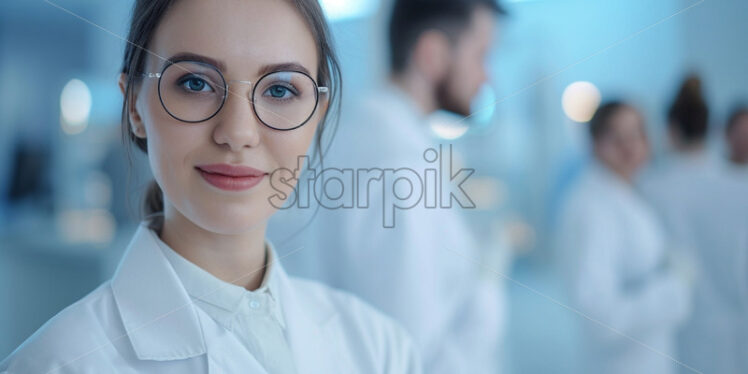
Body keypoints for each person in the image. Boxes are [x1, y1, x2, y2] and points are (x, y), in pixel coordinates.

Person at [0, 0, 422, 373]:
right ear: (134, 106)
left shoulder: (381, 350)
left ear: (316, 115)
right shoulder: (55, 364)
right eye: (195, 83)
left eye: (279, 89)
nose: (237, 133)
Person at [268, 0, 506, 372]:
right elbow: (413, 357)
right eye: (481, 56)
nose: (486, 77)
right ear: (431, 55)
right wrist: (486, 291)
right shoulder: (398, 166)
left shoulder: (363, 134)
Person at [556, 101, 691, 374]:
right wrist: (671, 291)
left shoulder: (625, 192)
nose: (628, 146)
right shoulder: (592, 209)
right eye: (615, 136)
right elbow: (599, 318)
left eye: (637, 134)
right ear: (594, 143)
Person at [639, 78, 748, 373]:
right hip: (738, 331)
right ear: (713, 130)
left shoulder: (650, 189)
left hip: (680, 329)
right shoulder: (739, 184)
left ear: (669, 131)